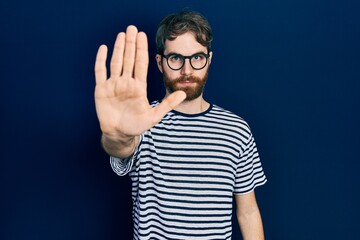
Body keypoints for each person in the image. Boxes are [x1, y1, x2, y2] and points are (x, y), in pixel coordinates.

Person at [94, 10, 267, 240]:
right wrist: (117, 135)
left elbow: (248, 211)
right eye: (176, 58)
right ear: (160, 62)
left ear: (209, 60)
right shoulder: (143, 121)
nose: (187, 70)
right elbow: (120, 147)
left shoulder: (237, 130)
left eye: (197, 57)